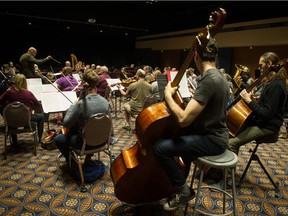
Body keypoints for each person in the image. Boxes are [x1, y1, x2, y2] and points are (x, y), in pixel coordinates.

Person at [152, 37, 230, 211]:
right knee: (180, 147)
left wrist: (168, 96)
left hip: (212, 140)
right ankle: (175, 188)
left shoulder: (209, 79)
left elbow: (183, 119)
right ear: (215, 56)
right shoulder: (219, 76)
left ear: (195, 55)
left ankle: (183, 190)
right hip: (214, 134)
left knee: (160, 148)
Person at [213, 52, 287, 188]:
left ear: (269, 64)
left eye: (261, 65)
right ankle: (219, 171)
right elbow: (265, 105)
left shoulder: (276, 86)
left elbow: (266, 114)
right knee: (228, 135)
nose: (259, 68)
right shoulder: (271, 83)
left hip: (268, 127)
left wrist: (248, 100)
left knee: (232, 143)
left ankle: (228, 181)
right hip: (261, 122)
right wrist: (253, 100)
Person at [53, 69, 111, 165]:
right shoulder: (105, 102)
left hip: (85, 144)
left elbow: (66, 123)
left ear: (84, 83)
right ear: (96, 83)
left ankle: (72, 162)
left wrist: (73, 105)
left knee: (59, 138)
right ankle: (89, 158)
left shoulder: (80, 104)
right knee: (92, 128)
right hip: (103, 141)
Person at [0, 73, 44, 145]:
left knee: (9, 116)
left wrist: (6, 91)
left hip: (12, 120)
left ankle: (14, 142)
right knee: (41, 117)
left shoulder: (9, 92)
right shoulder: (28, 93)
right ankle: (39, 139)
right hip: (27, 119)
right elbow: (38, 104)